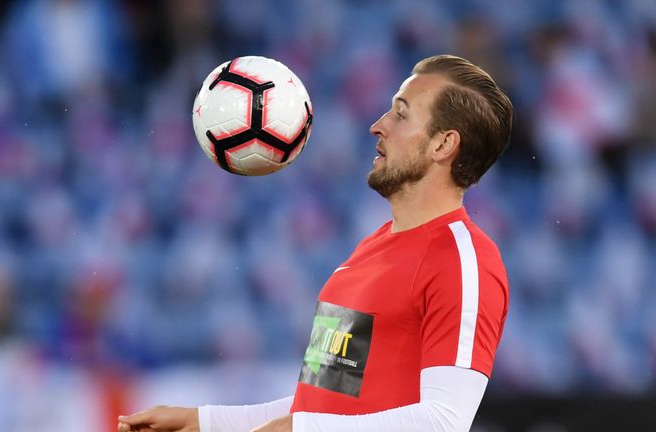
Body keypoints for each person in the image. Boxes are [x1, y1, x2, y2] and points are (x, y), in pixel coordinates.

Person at [118, 54, 513, 432]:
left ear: (442, 145)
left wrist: (301, 429)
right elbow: (323, 402)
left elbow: (444, 423)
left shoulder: (464, 260)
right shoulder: (368, 252)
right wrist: (204, 423)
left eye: (401, 113)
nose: (378, 125)